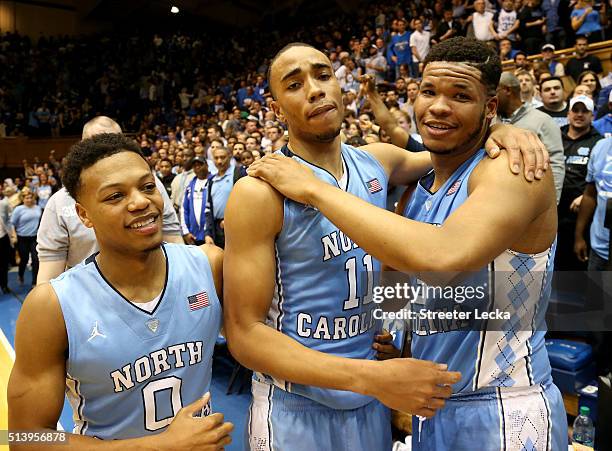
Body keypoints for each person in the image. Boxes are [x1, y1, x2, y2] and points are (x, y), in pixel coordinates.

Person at [225, 41, 550, 451]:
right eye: (294, 84)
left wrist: (502, 128)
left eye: (323, 75)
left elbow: (453, 149)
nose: (314, 89)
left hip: (377, 401)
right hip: (301, 403)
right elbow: (243, 334)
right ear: (275, 109)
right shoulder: (258, 192)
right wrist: (387, 348)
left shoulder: (379, 162)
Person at [8, 133, 233, 447]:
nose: (141, 202)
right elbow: (24, 437)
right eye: (115, 196)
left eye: (147, 186)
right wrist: (156, 446)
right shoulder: (51, 306)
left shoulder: (210, 265)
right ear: (84, 214)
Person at [36, 117, 183, 285]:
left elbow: (175, 242)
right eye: (114, 197)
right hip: (91, 300)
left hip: (155, 288)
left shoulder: (154, 186)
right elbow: (48, 278)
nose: (109, 152)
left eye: (116, 143)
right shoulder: (58, 204)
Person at [497, 72, 565, 203]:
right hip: (497, 197)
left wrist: (551, 203)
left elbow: (556, 163)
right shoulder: (492, 120)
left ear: (507, 90)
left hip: (530, 198)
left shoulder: (543, 120)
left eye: (494, 91)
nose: (491, 96)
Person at [558, 95, 602, 270]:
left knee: (578, 261)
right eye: (575, 110)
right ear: (568, 113)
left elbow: (601, 179)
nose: (579, 114)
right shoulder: (556, 136)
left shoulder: (598, 142)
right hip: (555, 210)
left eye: (585, 111)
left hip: (583, 213)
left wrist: (585, 195)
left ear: (592, 116)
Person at [575, 137, 612, 269]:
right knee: (594, 289)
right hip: (599, 247)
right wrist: (579, 236)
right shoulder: (601, 146)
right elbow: (590, 194)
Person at [11, 191, 42, 287]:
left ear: (33, 198)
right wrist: (14, 235)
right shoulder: (18, 209)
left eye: (30, 197)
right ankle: (20, 275)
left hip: (34, 238)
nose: (29, 200)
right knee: (24, 259)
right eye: (26, 198)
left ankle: (34, 282)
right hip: (22, 238)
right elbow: (12, 223)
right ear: (23, 199)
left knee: (35, 259)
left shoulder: (38, 208)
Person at [181, 156, 214, 246]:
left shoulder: (214, 181)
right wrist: (186, 232)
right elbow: (184, 209)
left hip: (212, 235)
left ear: (207, 165)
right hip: (194, 236)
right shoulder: (190, 186)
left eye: (200, 164)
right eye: (194, 166)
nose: (197, 167)